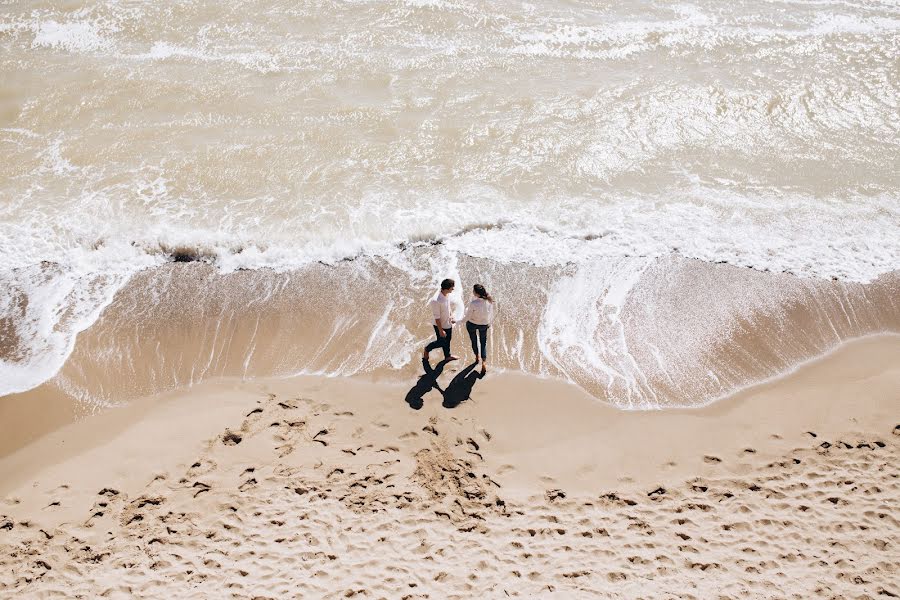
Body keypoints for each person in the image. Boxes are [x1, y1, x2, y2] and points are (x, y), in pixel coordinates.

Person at [423, 278, 458, 362]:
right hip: (440, 325)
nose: (453, 289)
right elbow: (437, 317)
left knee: (448, 340)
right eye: (452, 287)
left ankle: (447, 356)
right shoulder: (436, 300)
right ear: (447, 288)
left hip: (448, 323)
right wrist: (441, 330)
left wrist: (451, 316)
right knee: (441, 342)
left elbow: (448, 307)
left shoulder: (446, 295)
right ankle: (427, 349)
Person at [464, 283, 494, 374]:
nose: (472, 292)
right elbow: (491, 314)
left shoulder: (473, 303)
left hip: (472, 324)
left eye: (473, 291)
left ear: (476, 293)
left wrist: (457, 321)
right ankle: (484, 363)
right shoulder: (489, 301)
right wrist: (489, 323)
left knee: (474, 341)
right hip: (484, 325)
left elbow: (467, 317)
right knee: (483, 343)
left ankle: (477, 357)